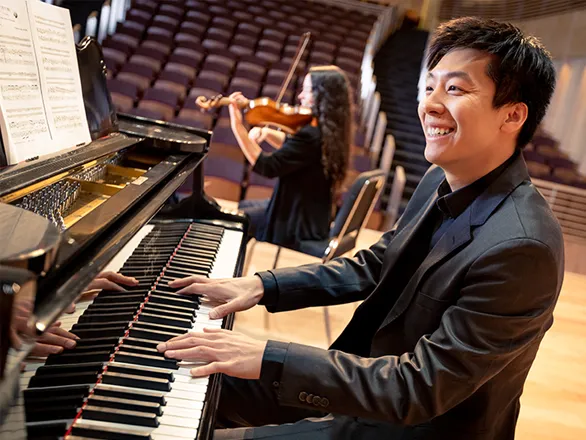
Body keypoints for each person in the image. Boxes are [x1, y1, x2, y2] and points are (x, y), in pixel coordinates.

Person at [157, 17, 564, 440]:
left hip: (412, 423)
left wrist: (269, 354)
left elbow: (419, 388)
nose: (429, 104)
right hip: (361, 379)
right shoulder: (437, 180)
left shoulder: (522, 248)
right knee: (172, 372)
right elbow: (376, 264)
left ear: (513, 115)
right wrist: (260, 286)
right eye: (429, 87)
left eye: (455, 89)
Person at [228, 65, 352, 247]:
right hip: (312, 218)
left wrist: (237, 127)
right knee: (244, 208)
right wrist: (268, 133)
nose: (300, 96)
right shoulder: (330, 132)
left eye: (307, 91)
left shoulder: (311, 135)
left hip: (294, 225)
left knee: (234, 221)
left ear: (323, 96)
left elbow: (267, 166)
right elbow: (299, 154)